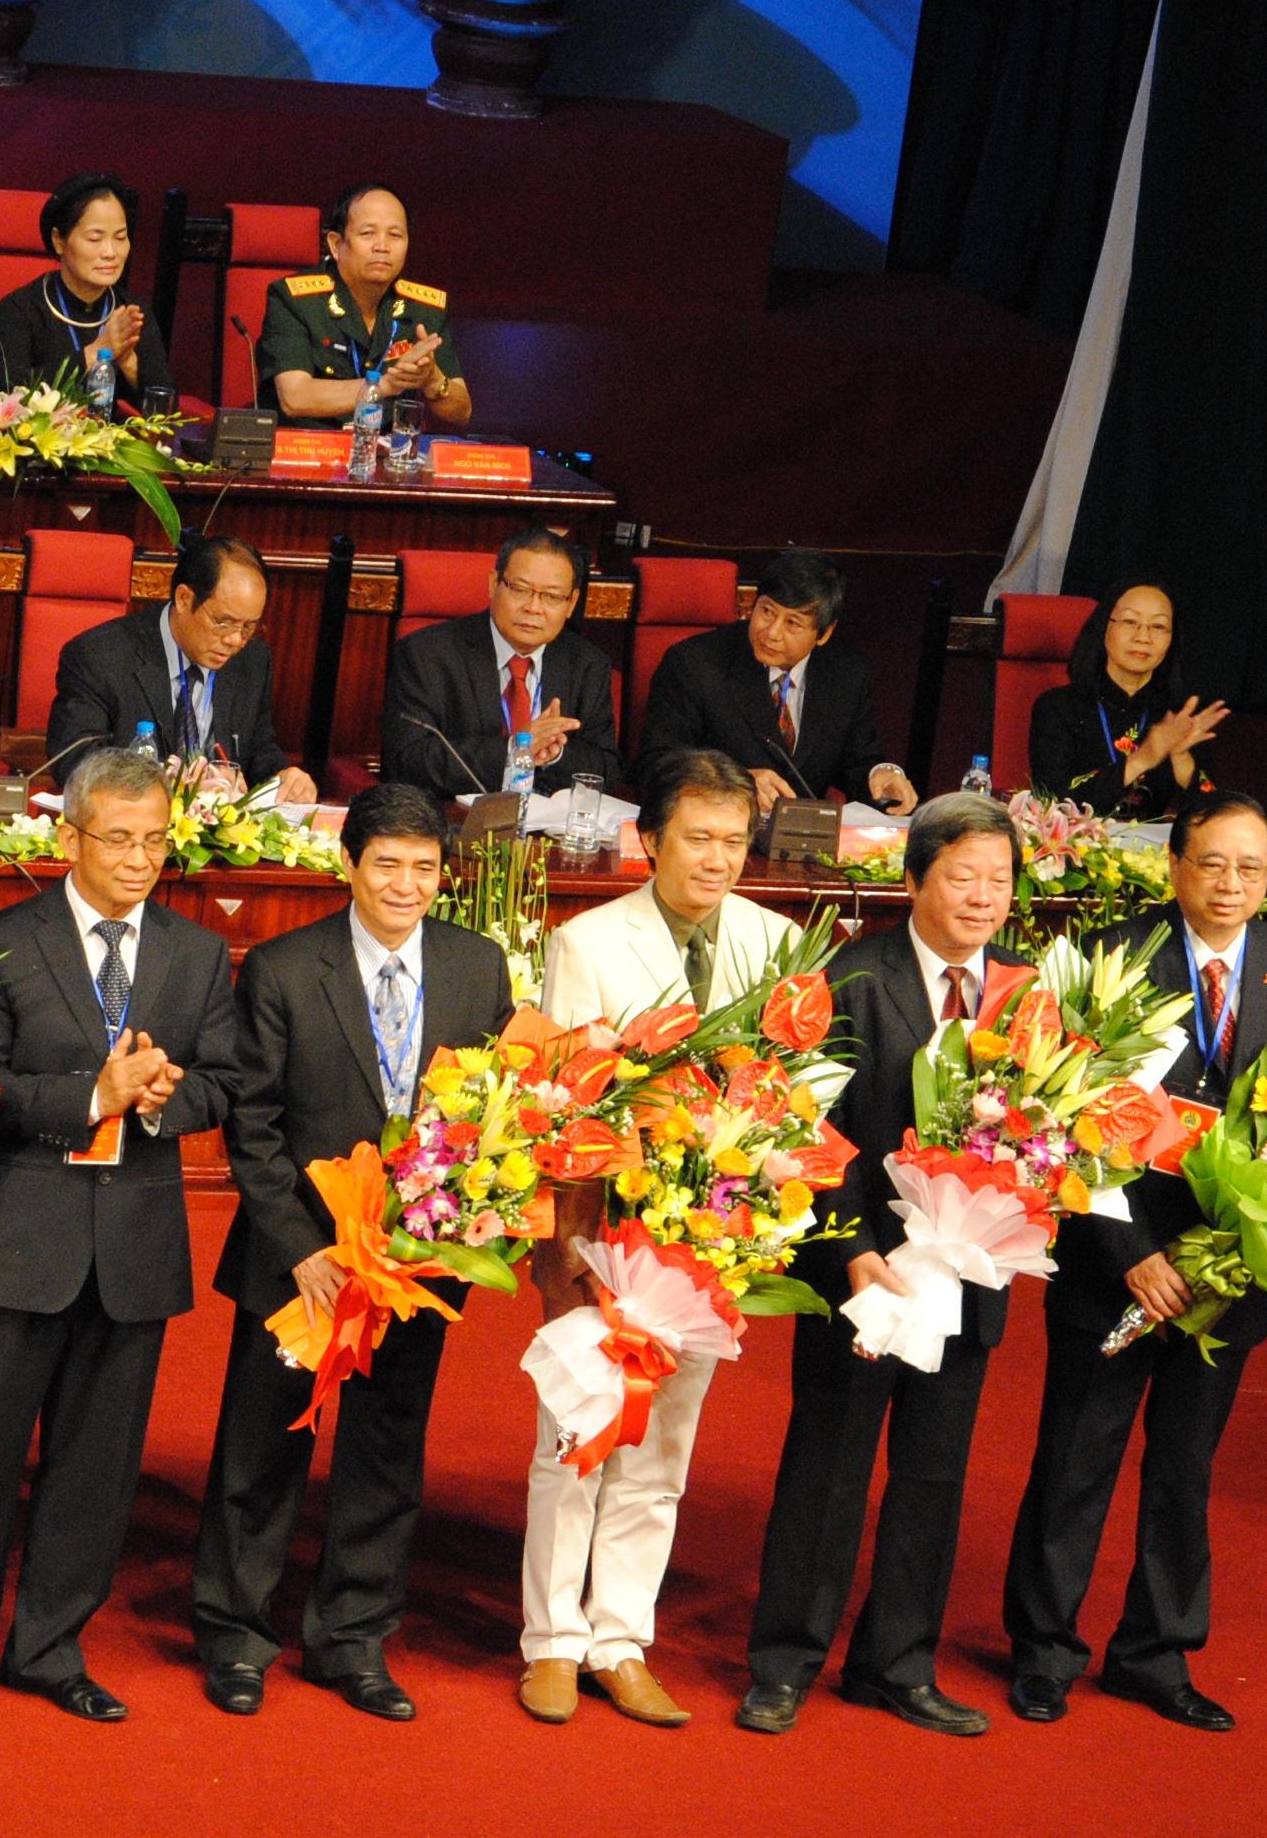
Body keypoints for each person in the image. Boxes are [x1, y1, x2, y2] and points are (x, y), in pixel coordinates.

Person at [0, 746, 244, 1722]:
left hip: (133, 1248)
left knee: (96, 1473)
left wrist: (163, 1100)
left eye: (156, 841)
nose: (140, 859)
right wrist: (89, 1096)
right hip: (16, 1242)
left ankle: (50, 1648)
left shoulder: (194, 953)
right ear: (69, 838)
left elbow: (227, 1079)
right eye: (119, 839)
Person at [188, 784, 510, 1721]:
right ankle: (236, 1636)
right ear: (350, 866)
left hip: (415, 1262)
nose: (406, 884)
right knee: (262, 1448)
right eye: (387, 865)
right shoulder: (285, 967)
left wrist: (451, 1229)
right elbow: (253, 1127)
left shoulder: (477, 966)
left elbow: (495, 1113)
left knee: (386, 1452)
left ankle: (353, 1641)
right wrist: (301, 1250)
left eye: (424, 867)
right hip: (302, 1262)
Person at [1002, 791, 1267, 1733]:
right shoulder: (1114, 955)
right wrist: (1131, 1254)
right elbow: (1061, 1116)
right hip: (1118, 1262)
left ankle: (1156, 1653)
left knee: (1186, 1466)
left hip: (1227, 1271)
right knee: (1077, 1456)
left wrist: (1247, 1248)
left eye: (1250, 868)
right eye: (1211, 863)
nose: (1230, 884)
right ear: (1175, 865)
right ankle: (1044, 1650)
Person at [520, 747, 801, 1729]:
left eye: (734, 841)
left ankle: (619, 1638)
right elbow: (559, 1104)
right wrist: (562, 1252)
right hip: (602, 1234)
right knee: (580, 1432)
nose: (717, 859)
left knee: (662, 1447)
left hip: (710, 1241)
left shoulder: (777, 942)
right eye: (698, 838)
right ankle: (552, 1641)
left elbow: (797, 1097)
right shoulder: (588, 942)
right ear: (649, 840)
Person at [741, 791, 1028, 1737]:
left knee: (933, 1476)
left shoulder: (1028, 995)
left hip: (969, 1277)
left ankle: (897, 1664)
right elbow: (804, 1130)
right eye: (963, 877)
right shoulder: (850, 979)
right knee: (827, 1467)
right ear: (913, 880)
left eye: (999, 880)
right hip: (862, 1275)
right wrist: (854, 1250)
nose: (982, 897)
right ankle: (784, 1663)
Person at [640, 548, 918, 814]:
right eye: (767, 611)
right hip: (718, 828)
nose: (772, 633)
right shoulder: (694, 663)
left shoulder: (847, 675)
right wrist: (734, 784)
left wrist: (881, 776)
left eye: (792, 623)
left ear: (824, 634)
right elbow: (657, 764)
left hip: (804, 836)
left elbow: (858, 761)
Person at [42, 535, 315, 800]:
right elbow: (74, 761)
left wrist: (283, 776)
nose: (235, 640)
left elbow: (257, 749)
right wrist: (174, 781)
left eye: (248, 626)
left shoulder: (253, 660)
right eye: (224, 623)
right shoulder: (100, 656)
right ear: (184, 598)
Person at [381, 527, 621, 798]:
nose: (533, 607)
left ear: (572, 602)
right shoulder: (428, 654)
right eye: (520, 590)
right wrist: (516, 750)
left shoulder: (588, 664)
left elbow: (606, 769)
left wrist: (554, 753)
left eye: (552, 597)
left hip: (549, 819)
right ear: (494, 584)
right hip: (455, 816)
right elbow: (409, 759)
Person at [252, 183, 469, 428]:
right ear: (336, 245)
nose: (382, 247)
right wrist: (384, 385)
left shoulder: (424, 309)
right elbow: (295, 398)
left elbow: (462, 413)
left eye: (395, 235)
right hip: (308, 444)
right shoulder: (295, 300)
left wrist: (432, 379)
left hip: (385, 448)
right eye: (368, 233)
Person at [1025, 582, 1230, 818]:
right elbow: (1052, 800)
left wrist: (1182, 759)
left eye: (1158, 626)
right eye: (1130, 622)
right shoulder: (1058, 707)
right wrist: (1141, 760)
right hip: (1075, 838)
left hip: (1154, 841)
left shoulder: (1177, 716)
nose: (1143, 637)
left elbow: (1212, 818)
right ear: (1104, 628)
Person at [0, 173, 174, 405]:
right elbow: (13, 393)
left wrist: (128, 361)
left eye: (120, 238)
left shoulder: (131, 315)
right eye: (95, 239)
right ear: (59, 241)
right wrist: (98, 351)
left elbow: (165, 410)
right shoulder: (19, 310)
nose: (110, 252)